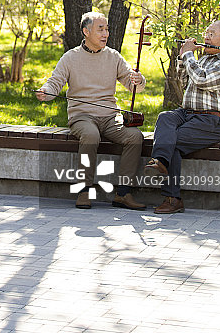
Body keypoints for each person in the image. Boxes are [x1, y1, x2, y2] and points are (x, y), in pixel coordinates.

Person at [36, 11, 146, 211]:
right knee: (90, 135)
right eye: (100, 29)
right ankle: (84, 190)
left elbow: (133, 85)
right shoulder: (70, 57)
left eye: (107, 29)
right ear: (86, 32)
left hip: (110, 117)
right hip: (82, 116)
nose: (106, 34)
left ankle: (123, 193)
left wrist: (139, 80)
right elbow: (55, 82)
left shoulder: (113, 56)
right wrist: (46, 92)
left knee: (134, 136)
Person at [144, 20, 220, 214]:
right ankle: (160, 161)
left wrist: (189, 54)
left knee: (174, 142)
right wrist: (182, 59)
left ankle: (173, 198)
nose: (205, 37)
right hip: (187, 113)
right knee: (165, 117)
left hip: (212, 120)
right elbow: (186, 81)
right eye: (206, 33)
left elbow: (201, 80)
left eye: (211, 34)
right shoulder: (203, 59)